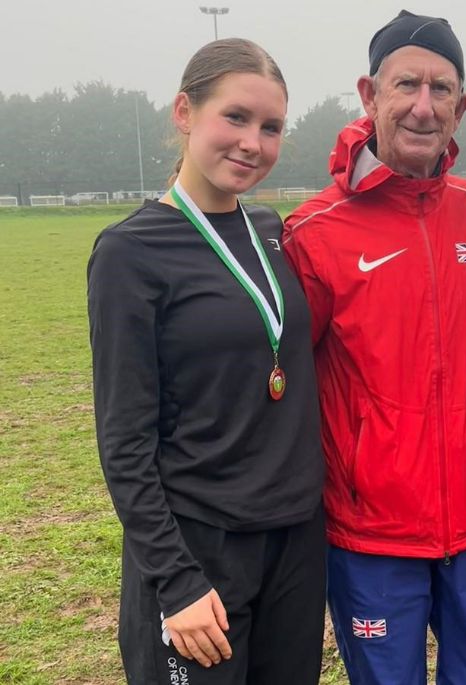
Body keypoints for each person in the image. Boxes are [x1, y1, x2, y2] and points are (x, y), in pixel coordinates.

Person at [282, 10, 466, 685]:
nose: (423, 105)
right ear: (368, 94)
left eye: (442, 89)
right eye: (405, 84)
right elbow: (285, 382)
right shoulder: (314, 232)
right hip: (370, 536)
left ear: (461, 106)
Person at [87, 38, 326, 685]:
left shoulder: (274, 233)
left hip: (297, 542)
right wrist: (176, 578)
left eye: (271, 127)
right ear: (185, 112)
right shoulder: (129, 253)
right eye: (236, 117)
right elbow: (124, 438)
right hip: (200, 547)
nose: (253, 141)